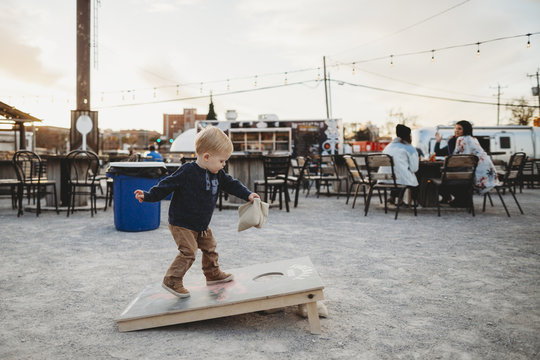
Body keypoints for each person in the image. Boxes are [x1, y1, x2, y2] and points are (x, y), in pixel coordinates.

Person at [134, 126, 260, 298]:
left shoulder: (218, 174)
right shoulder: (187, 171)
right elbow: (166, 185)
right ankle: (172, 279)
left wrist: (248, 194)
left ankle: (212, 274)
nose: (224, 165)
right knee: (189, 252)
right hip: (182, 223)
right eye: (222, 161)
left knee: (210, 248)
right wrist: (149, 196)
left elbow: (232, 184)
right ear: (207, 157)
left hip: (201, 224)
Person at [452, 120, 500, 195]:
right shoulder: (473, 138)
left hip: (479, 170)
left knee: (454, 177)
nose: (456, 131)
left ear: (466, 130)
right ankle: (462, 200)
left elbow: (458, 158)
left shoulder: (461, 139)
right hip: (488, 170)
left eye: (459, 129)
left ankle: (459, 200)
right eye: (455, 128)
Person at [379, 124, 419, 204]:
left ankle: (394, 197)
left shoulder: (388, 147)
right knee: (410, 177)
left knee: (399, 173)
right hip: (398, 179)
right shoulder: (409, 148)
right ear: (409, 136)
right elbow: (414, 168)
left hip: (384, 178)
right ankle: (415, 202)